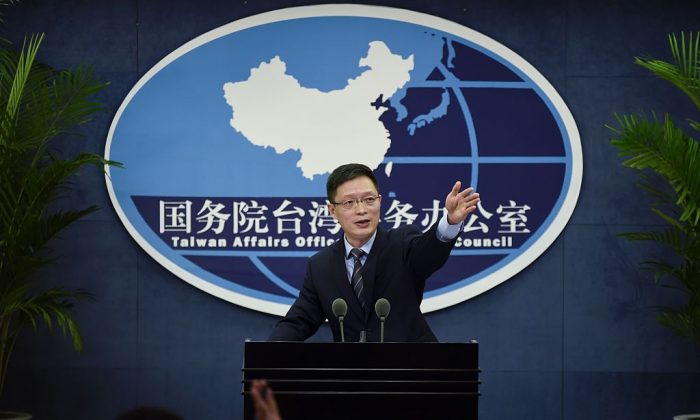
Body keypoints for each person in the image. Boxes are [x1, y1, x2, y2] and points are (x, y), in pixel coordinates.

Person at [268, 163, 480, 342]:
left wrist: (450, 222)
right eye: (349, 203)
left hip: (414, 375)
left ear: (380, 201)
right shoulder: (321, 266)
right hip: (355, 382)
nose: (362, 210)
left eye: (369, 199)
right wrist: (263, 355)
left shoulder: (402, 243)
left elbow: (428, 254)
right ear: (332, 211)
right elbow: (299, 321)